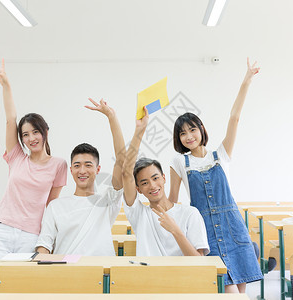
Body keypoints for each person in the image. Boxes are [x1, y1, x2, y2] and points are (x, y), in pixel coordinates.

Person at [169, 58, 263, 293]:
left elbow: (234, 118)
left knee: (241, 291)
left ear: (201, 129)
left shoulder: (221, 155)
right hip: (204, 229)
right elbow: (172, 200)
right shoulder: (179, 161)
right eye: (182, 133)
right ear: (178, 139)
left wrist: (247, 80)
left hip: (232, 227)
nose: (189, 136)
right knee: (224, 289)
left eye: (192, 129)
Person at [0, 59, 67, 292]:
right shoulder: (17, 158)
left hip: (31, 234)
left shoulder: (59, 165)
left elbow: (51, 204)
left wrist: (47, 239)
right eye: (26, 134)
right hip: (0, 229)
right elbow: (11, 119)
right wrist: (5, 84)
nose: (31, 138)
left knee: (19, 288)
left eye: (36, 132)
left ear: (45, 132)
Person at [36, 98, 125, 255]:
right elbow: (44, 244)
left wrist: (111, 117)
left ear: (98, 169)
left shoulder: (106, 201)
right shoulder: (56, 207)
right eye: (77, 166)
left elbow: (122, 160)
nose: (82, 170)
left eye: (88, 165)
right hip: (65, 274)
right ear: (71, 170)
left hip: (100, 274)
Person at [122, 107, 209, 256]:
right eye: (144, 183)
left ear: (163, 178)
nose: (152, 185)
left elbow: (199, 261)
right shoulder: (139, 214)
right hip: (149, 278)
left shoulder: (190, 214)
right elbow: (125, 173)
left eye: (155, 178)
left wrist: (175, 230)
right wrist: (140, 131)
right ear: (138, 189)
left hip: (182, 278)